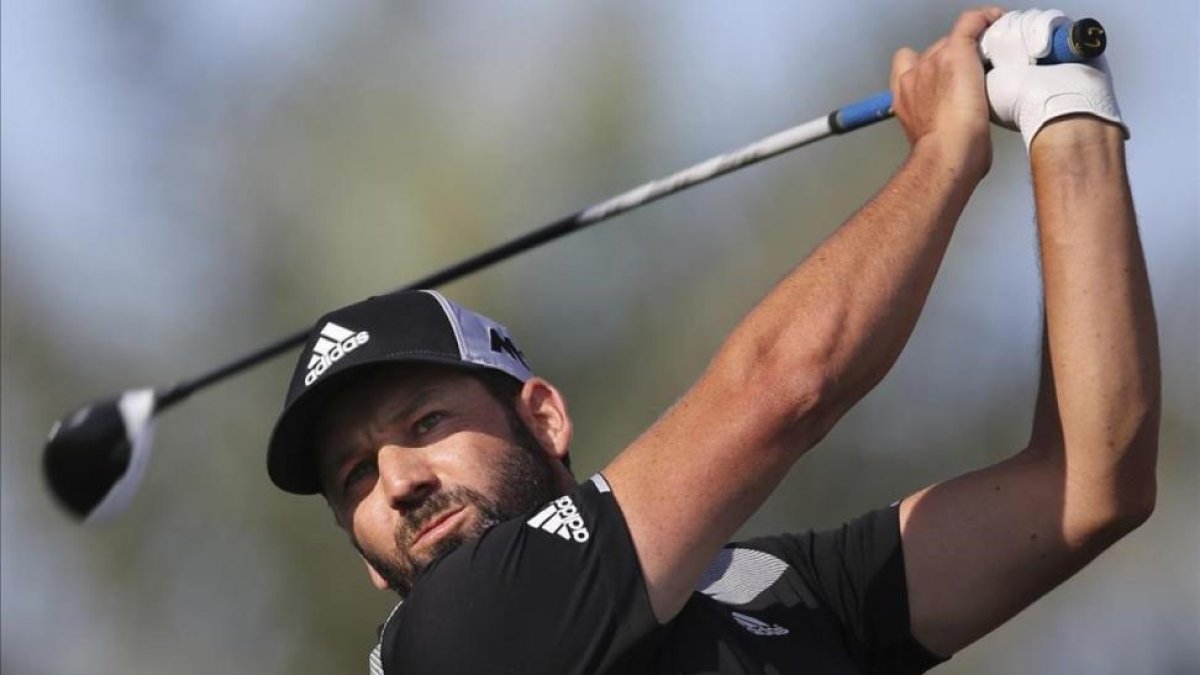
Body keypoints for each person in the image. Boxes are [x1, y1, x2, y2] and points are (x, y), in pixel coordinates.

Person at [265, 7, 1160, 674]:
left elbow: (1085, 488)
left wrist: (1065, 111)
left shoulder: (765, 587)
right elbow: (783, 389)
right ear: (365, 558)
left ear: (543, 416)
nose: (398, 481)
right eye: (355, 476)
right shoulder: (454, 636)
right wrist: (943, 156)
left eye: (423, 423)